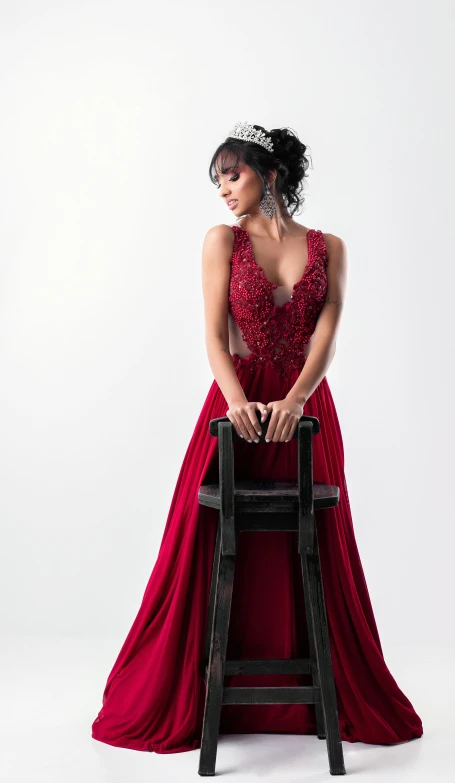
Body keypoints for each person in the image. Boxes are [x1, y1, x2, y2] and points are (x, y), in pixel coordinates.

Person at [91, 121, 423, 754]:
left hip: (304, 413)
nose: (223, 189)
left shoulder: (331, 248)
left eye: (232, 174)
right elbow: (214, 337)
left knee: (312, 543)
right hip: (235, 409)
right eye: (217, 178)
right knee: (210, 540)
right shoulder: (222, 241)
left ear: (269, 174)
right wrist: (240, 403)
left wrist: (296, 399)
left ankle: (316, 693)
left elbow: (327, 335)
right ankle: (202, 690)